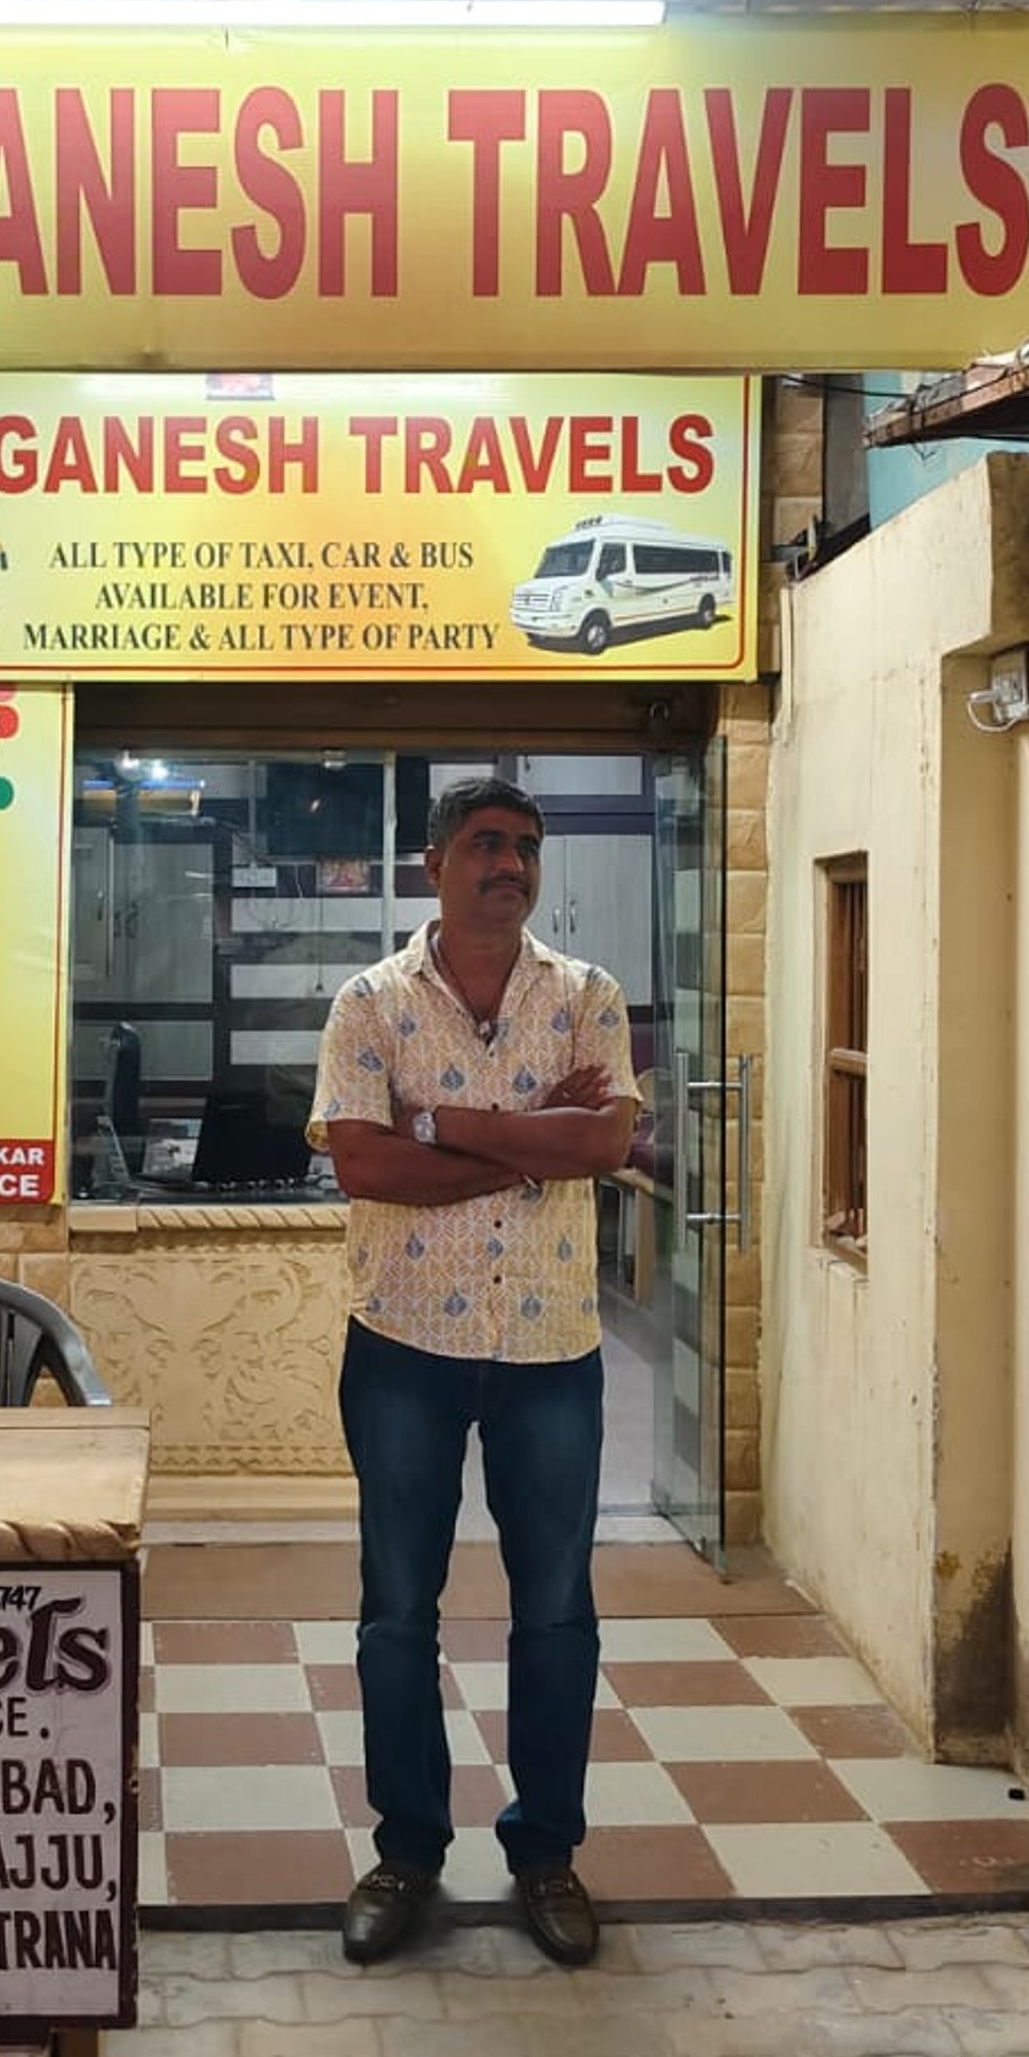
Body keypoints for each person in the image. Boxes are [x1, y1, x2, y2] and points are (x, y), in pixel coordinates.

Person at [309, 774, 638, 1970]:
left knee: (556, 1612)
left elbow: (604, 1141)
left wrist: (441, 1124)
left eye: (527, 846)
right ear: (435, 860)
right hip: (402, 1347)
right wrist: (523, 1136)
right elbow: (362, 1165)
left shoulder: (587, 997)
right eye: (488, 843)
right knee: (398, 1613)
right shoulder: (368, 1004)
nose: (512, 863)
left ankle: (545, 1852)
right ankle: (407, 1851)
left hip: (552, 1350)